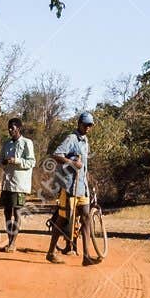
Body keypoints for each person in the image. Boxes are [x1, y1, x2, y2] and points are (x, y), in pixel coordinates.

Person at [47, 110, 101, 268]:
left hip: (81, 187)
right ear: (79, 124)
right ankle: (50, 252)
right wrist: (72, 163)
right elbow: (57, 155)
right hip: (69, 186)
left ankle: (86, 256)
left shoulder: (85, 141)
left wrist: (87, 177)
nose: (88, 128)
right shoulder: (71, 138)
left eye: (90, 125)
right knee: (62, 218)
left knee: (85, 218)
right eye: (86, 125)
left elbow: (83, 165)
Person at [0, 116, 35, 250]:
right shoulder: (7, 144)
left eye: (12, 128)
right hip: (7, 183)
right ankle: (9, 240)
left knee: (17, 212)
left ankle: (13, 242)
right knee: (7, 212)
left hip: (19, 184)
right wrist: (4, 163)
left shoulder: (27, 143)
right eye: (9, 128)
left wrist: (16, 161)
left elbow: (31, 162)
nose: (10, 130)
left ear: (18, 128)